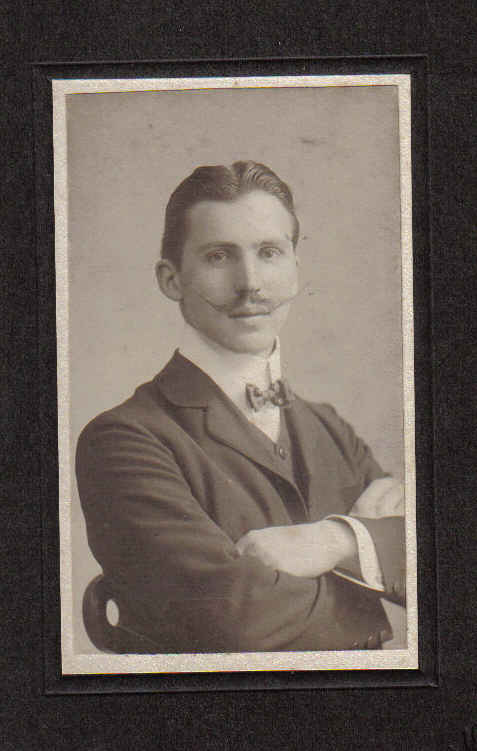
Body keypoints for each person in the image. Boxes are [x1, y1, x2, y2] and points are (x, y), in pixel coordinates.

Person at [76, 160, 406, 653]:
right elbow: (230, 621)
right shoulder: (123, 440)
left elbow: (443, 570)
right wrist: (369, 565)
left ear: (296, 268)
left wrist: (334, 540)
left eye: (269, 253)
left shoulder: (330, 428)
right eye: (218, 256)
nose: (250, 282)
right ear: (171, 279)